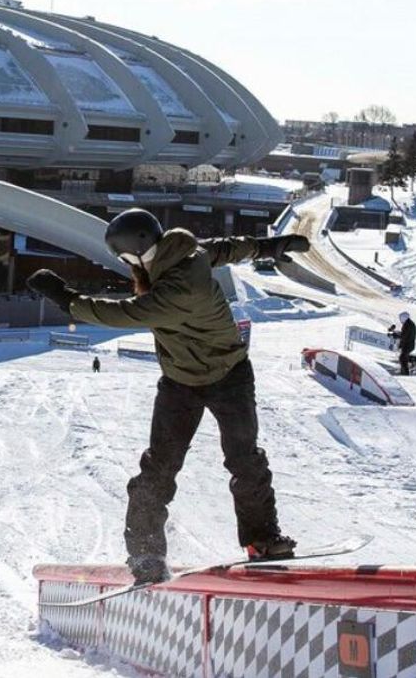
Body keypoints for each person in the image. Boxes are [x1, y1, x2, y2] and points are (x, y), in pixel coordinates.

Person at [27, 209, 310, 584]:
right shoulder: (188, 251)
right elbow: (228, 248)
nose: (128, 268)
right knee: (161, 467)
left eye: (125, 260)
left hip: (228, 376)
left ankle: (262, 540)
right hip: (181, 381)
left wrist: (65, 298)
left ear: (135, 253)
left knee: (243, 458)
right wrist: (271, 246)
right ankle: (146, 554)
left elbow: (121, 313)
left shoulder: (176, 292)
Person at [392, 311, 416, 376]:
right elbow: (404, 334)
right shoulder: (408, 324)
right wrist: (398, 334)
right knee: (403, 357)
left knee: (402, 358)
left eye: (400, 318)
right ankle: (404, 371)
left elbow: (404, 335)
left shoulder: (408, 325)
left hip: (408, 345)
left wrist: (397, 335)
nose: (400, 320)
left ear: (403, 318)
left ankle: (405, 373)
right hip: (408, 344)